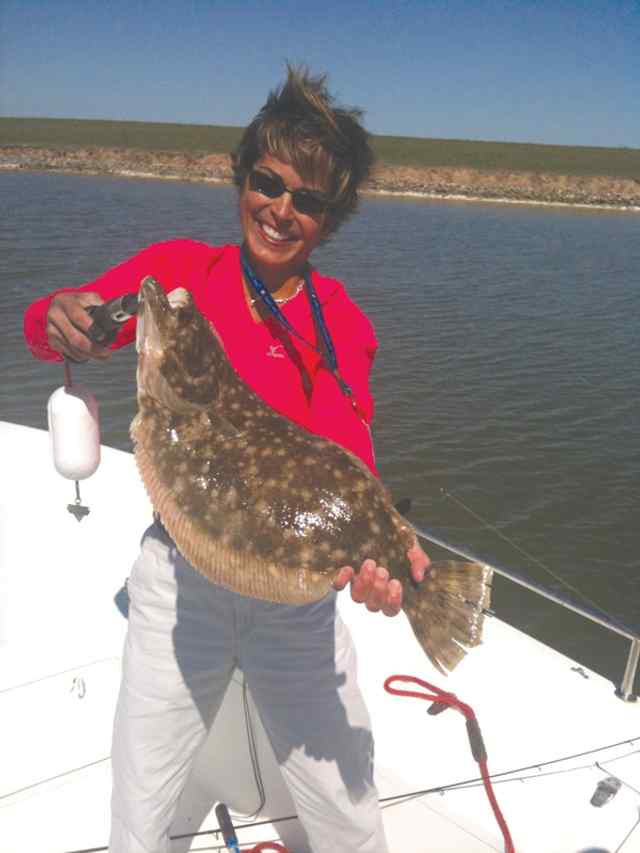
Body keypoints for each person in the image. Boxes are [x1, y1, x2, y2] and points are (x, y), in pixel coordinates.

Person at [24, 66, 429, 853]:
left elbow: (351, 462)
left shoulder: (342, 323)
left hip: (298, 605)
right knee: (139, 808)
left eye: (307, 200)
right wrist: (59, 315)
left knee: (349, 817)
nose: (280, 209)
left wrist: (383, 564)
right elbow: (61, 327)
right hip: (180, 587)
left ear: (329, 217)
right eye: (267, 182)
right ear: (242, 177)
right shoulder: (182, 275)